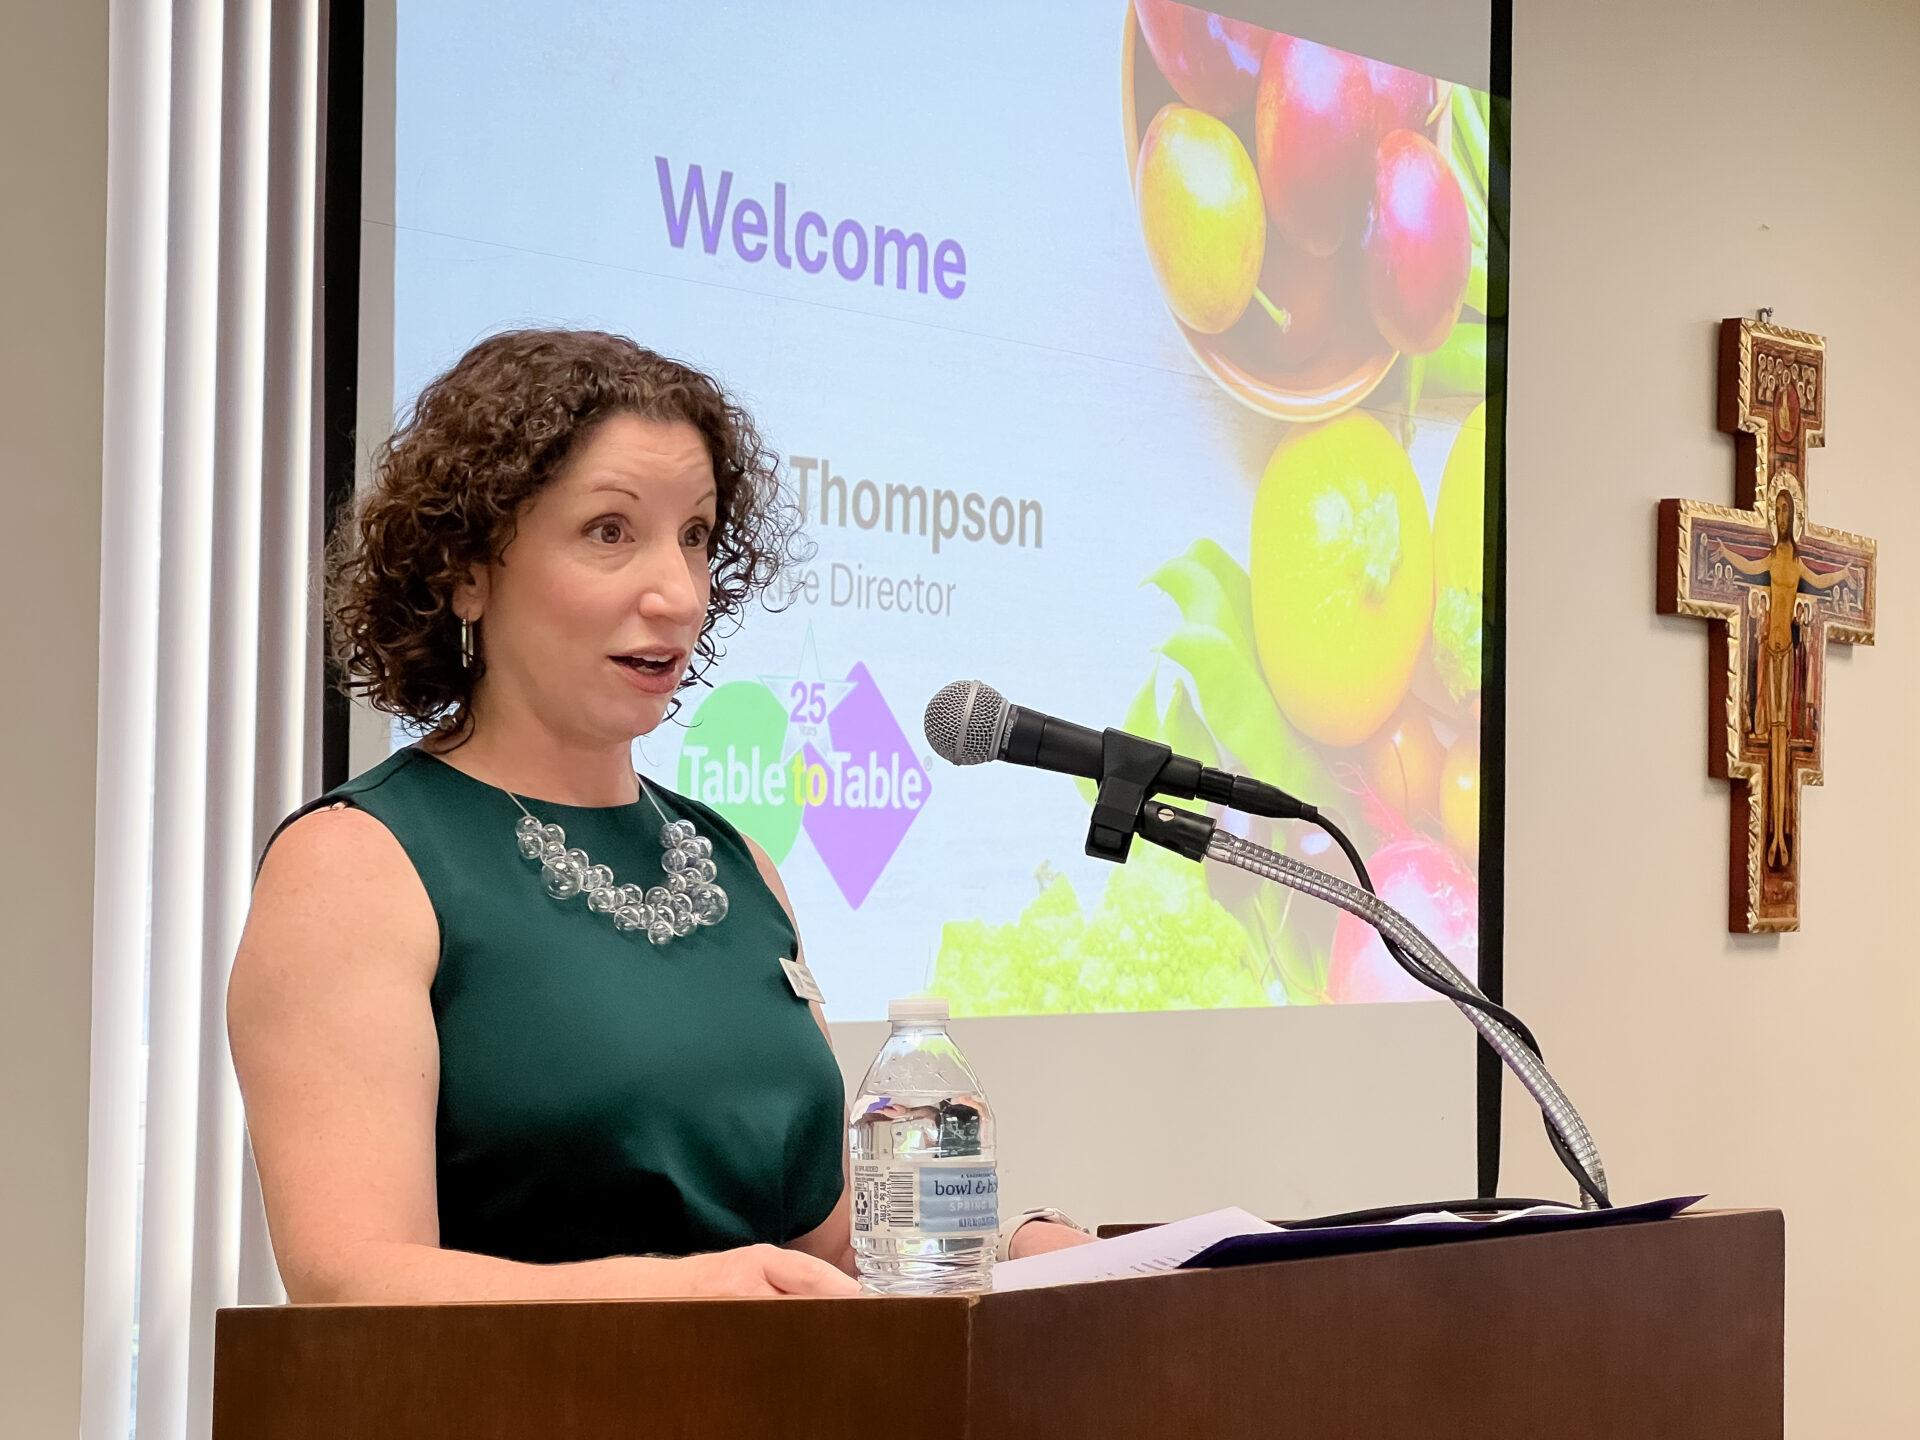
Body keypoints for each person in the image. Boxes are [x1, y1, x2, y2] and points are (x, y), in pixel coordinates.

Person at [229, 329, 1089, 1302]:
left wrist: (1013, 1245)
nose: (678, 595)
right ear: (467, 568)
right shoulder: (358, 865)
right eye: (610, 531)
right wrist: (674, 1296)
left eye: (697, 537)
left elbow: (816, 1250)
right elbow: (349, 1282)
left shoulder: (739, 865)